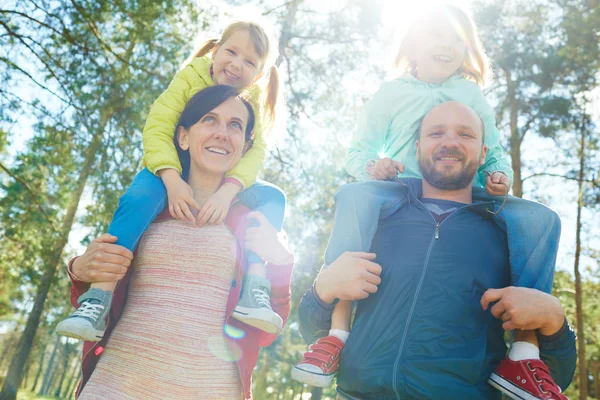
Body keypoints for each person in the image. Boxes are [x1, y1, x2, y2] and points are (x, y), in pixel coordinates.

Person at [292, 5, 563, 398]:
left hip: (466, 191)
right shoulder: (392, 92)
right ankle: (336, 336)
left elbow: (494, 150)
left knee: (541, 219)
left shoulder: (469, 93)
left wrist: (500, 175)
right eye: (437, 35)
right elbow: (359, 151)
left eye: (457, 39)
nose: (448, 45)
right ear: (412, 44)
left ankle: (523, 352)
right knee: (354, 195)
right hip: (398, 190)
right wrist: (375, 166)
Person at [56, 20, 287, 341]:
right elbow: (159, 124)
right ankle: (97, 299)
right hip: (165, 170)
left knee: (273, 198)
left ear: (259, 75)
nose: (236, 64)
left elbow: (255, 152)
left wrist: (229, 191)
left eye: (249, 61)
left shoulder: (250, 103)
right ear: (216, 51)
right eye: (231, 52)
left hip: (224, 180)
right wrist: (170, 177)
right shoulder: (192, 76)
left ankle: (255, 285)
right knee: (138, 199)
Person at [64, 86, 294, 399]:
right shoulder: (147, 208)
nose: (222, 133)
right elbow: (90, 301)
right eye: (209, 120)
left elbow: (265, 332)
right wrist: (81, 268)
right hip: (114, 387)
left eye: (235, 125)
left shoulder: (252, 222)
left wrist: (279, 262)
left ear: (244, 147)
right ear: (183, 137)